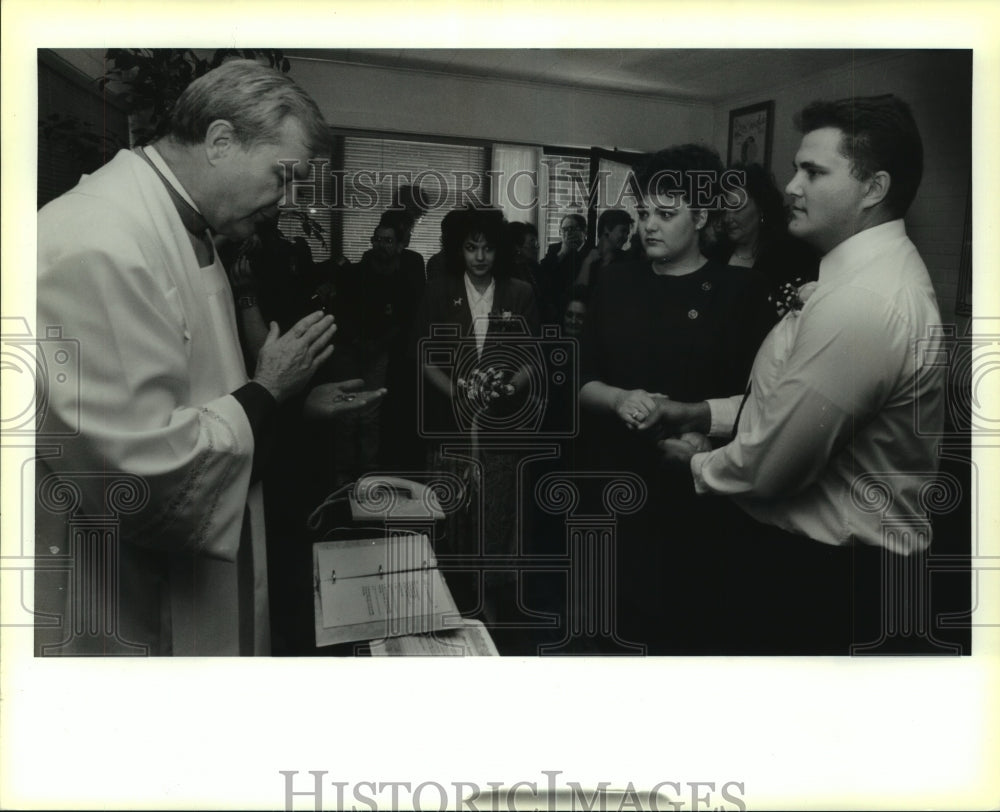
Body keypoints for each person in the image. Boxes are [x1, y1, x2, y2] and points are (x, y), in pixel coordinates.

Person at [35, 59, 344, 656]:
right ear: (221, 140)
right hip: (125, 600)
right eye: (283, 177)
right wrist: (269, 390)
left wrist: (290, 407)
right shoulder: (99, 239)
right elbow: (140, 471)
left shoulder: (186, 225)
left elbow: (200, 390)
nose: (285, 202)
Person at [644, 95, 943, 654]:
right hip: (832, 569)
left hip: (832, 580)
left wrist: (696, 462)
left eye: (813, 171)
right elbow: (794, 398)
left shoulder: (861, 301)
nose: (791, 187)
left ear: (873, 189)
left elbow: (776, 464)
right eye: (795, 168)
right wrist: (701, 413)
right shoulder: (861, 278)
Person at [578, 144, 775, 653]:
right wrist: (619, 399)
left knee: (687, 629)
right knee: (612, 622)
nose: (649, 226)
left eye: (667, 214)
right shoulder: (615, 280)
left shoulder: (741, 291)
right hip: (615, 481)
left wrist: (698, 429)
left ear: (703, 214)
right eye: (644, 213)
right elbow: (582, 380)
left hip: (699, 492)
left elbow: (759, 402)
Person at [410, 206, 540, 630]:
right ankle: (444, 602)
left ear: (499, 251)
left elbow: (531, 359)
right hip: (451, 424)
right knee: (450, 517)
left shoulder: (520, 292)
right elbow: (426, 359)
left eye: (487, 248)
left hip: (502, 425)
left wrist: (506, 389)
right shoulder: (437, 289)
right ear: (458, 250)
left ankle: (490, 605)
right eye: (471, 248)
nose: (480, 257)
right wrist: (460, 393)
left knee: (496, 518)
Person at [712, 162, 820, 303]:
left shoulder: (793, 255)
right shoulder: (713, 254)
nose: (727, 218)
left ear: (761, 206)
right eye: (723, 209)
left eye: (737, 208)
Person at [537, 212, 590, 325]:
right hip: (557, 309)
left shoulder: (591, 252)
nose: (567, 233)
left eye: (571, 228)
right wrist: (563, 253)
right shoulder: (554, 249)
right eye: (564, 229)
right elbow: (543, 272)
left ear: (583, 231)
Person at [575, 208, 633, 289]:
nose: (626, 238)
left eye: (627, 233)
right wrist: (587, 264)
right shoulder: (582, 256)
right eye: (623, 231)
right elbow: (577, 293)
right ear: (607, 229)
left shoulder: (626, 260)